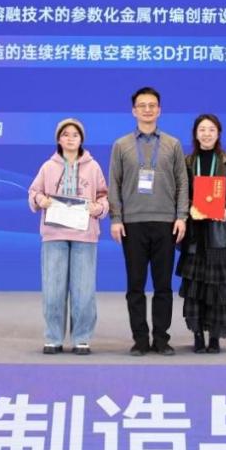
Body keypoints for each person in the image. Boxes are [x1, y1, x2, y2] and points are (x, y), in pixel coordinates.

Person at [108, 87, 188, 356]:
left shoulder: (172, 144)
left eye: (152, 105)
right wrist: (116, 218)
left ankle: (162, 339)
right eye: (142, 105)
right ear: (134, 111)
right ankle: (140, 340)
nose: (147, 109)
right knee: (135, 286)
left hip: (166, 222)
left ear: (159, 110)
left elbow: (182, 183)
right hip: (132, 224)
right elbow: (114, 183)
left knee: (163, 286)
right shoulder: (121, 145)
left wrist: (181, 217)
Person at [29, 118, 109, 355]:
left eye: (75, 134)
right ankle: (53, 337)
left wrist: (98, 208)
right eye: (66, 134)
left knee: (83, 289)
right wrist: (40, 200)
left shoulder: (93, 167)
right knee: (53, 288)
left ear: (82, 139)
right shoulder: (48, 167)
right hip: (54, 233)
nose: (71, 138)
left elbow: (104, 196)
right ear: (58, 139)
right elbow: (34, 192)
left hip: (85, 234)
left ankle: (81, 337)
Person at [176, 114, 226, 353]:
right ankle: (197, 335)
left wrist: (225, 207)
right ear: (195, 134)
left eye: (211, 130)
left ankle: (215, 337)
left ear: (218, 133)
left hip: (219, 233)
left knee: (218, 288)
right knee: (195, 287)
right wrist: (189, 208)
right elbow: (180, 193)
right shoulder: (187, 161)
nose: (206, 134)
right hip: (195, 232)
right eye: (202, 130)